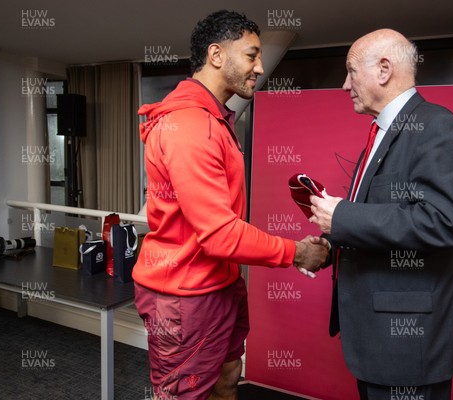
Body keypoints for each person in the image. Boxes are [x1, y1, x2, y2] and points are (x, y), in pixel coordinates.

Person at [133, 10, 328, 400]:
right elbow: (220, 234)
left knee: (227, 378)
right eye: (252, 55)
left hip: (220, 285)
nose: (259, 67)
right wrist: (297, 253)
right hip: (186, 297)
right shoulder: (189, 125)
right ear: (217, 55)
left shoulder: (214, 120)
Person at [309, 29, 453, 400]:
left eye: (351, 72)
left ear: (384, 69)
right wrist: (329, 242)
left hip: (409, 346)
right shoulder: (383, 132)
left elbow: (443, 222)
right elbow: (382, 217)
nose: (344, 85)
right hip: (376, 339)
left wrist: (342, 217)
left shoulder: (437, 127)